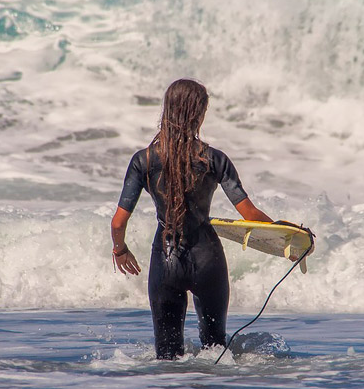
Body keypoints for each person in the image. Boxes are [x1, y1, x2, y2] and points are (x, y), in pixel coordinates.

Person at [110, 79, 274, 360]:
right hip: (208, 260)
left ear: (167, 111)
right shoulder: (214, 159)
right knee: (215, 352)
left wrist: (120, 249)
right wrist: (285, 233)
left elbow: (117, 223)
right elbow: (250, 215)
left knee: (167, 357)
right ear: (199, 114)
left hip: (166, 259)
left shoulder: (143, 160)